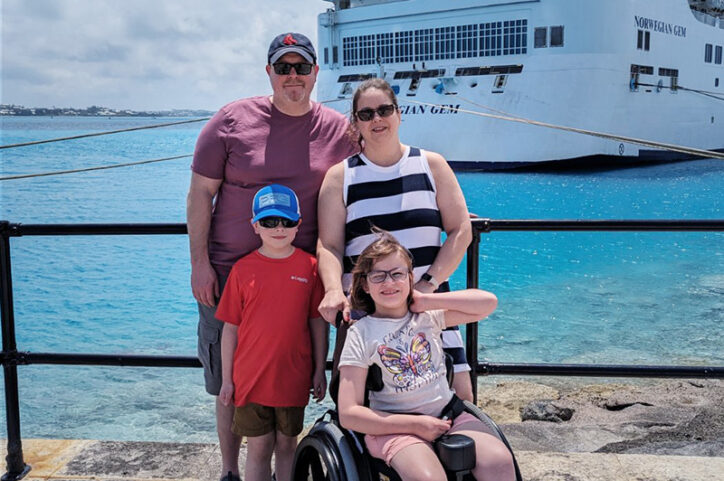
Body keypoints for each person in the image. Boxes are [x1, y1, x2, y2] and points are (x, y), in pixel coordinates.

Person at [187, 32, 357, 481]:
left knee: (290, 382)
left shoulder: (339, 129)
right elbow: (200, 194)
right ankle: (229, 471)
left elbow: (377, 168)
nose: (293, 76)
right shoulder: (230, 120)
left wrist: (441, 205)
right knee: (228, 385)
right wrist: (200, 264)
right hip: (228, 277)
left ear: (316, 73)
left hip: (302, 283)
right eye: (284, 67)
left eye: (302, 67)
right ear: (269, 73)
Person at [316, 77, 475, 401]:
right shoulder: (340, 177)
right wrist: (333, 290)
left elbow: (461, 230)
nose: (377, 119)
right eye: (366, 114)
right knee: (371, 408)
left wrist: (426, 287)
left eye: (384, 109)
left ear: (398, 114)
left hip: (429, 307)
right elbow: (329, 245)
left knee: (460, 399)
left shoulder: (431, 165)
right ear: (355, 122)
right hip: (368, 315)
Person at [337, 231, 515, 481]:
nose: (389, 283)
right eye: (378, 276)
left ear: (410, 278)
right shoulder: (361, 333)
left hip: (447, 415)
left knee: (499, 462)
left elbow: (488, 303)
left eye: (397, 274)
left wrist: (426, 299)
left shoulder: (428, 318)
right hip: (394, 428)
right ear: (365, 284)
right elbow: (348, 412)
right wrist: (414, 426)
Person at [216, 184, 327, 481]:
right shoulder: (242, 270)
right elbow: (230, 329)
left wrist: (319, 370)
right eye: (269, 221)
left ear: (298, 225)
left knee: (288, 444)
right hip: (250, 380)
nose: (279, 228)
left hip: (293, 377)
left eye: (287, 221)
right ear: (255, 226)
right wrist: (227, 380)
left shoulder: (311, 267)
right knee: (259, 448)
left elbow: (318, 322)